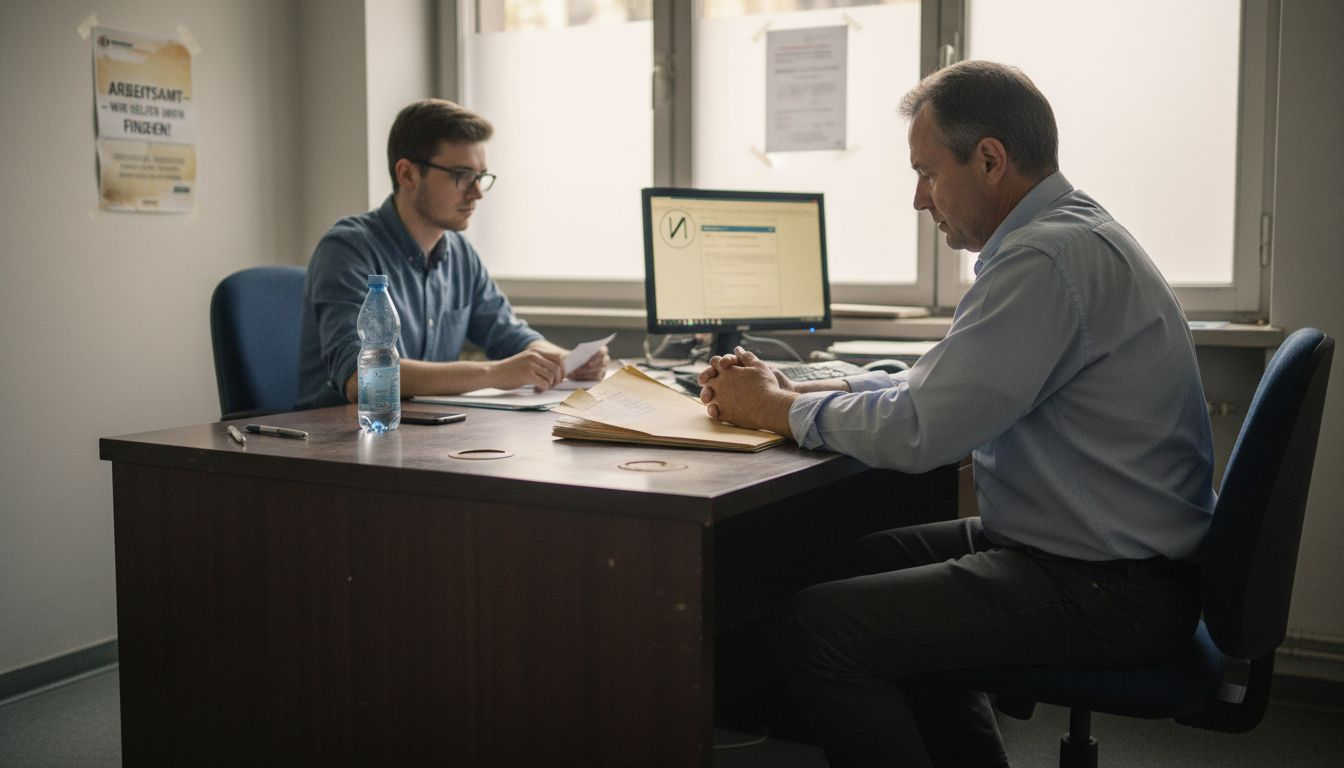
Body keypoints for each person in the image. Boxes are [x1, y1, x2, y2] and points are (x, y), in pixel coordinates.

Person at [698, 61, 1216, 768]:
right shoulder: (1069, 234)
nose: (919, 199)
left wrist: (778, 409)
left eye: (927, 173)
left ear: (991, 160)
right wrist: (809, 392)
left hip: (1107, 590)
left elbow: (922, 430)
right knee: (866, 559)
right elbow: (943, 386)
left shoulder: (1044, 259)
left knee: (817, 630)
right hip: (1103, 558)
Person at [296, 98, 607, 410]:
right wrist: (493, 373)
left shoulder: (460, 254)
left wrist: (566, 360)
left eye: (480, 176)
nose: (477, 192)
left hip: (424, 429)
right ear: (407, 175)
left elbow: (509, 335)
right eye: (462, 175)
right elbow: (363, 377)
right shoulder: (347, 250)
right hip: (341, 433)